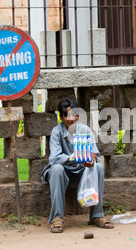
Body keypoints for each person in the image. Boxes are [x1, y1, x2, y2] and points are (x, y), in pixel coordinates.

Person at [40, 99, 114, 233]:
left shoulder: (85, 130)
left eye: (74, 116)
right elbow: (55, 158)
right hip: (63, 173)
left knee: (98, 167)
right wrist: (76, 158)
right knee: (56, 169)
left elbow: (95, 154)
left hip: (81, 173)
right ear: (61, 117)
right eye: (67, 116)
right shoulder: (56, 132)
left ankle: (96, 215)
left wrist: (91, 159)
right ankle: (57, 217)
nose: (71, 119)